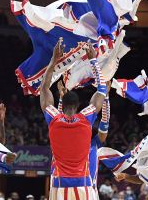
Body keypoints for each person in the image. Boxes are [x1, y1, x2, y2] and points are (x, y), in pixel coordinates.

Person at [40, 38, 107, 199]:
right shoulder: (85, 119)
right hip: (82, 184)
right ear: (78, 106)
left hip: (59, 185)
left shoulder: (54, 119)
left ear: (62, 105)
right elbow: (102, 90)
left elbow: (44, 88)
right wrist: (93, 60)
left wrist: (53, 61)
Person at [57, 80, 111, 198]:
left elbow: (105, 121)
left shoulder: (95, 142)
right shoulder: (70, 140)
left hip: (89, 190)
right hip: (69, 186)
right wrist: (62, 100)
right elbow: (61, 122)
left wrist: (106, 97)